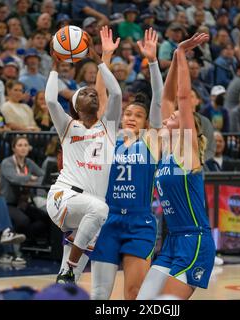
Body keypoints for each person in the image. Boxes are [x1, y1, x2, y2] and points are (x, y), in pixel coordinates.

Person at [137, 33, 215, 300]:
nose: (169, 114)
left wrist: (181, 54)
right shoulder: (166, 148)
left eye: (176, 116)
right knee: (143, 302)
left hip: (195, 242)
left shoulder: (188, 151)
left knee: (166, 305)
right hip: (172, 242)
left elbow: (182, 98)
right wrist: (171, 57)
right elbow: (167, 99)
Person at [90, 28, 163, 300]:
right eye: (127, 113)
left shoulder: (151, 141)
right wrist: (105, 57)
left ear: (146, 122)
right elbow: (100, 98)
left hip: (139, 222)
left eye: (138, 115)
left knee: (133, 293)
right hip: (108, 219)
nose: (130, 117)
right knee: (99, 293)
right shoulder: (109, 138)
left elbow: (158, 99)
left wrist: (153, 62)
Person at [45, 26, 122, 284]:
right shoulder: (68, 126)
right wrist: (55, 65)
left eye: (94, 93)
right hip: (63, 196)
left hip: (89, 214)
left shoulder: (108, 128)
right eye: (85, 94)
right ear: (76, 107)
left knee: (68, 283)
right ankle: (69, 265)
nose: (92, 94)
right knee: (101, 208)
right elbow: (51, 101)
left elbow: (118, 93)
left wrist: (99, 60)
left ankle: (67, 273)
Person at [0, 136, 47, 240]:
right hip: (7, 203)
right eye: (20, 145)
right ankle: (18, 245)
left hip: (23, 203)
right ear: (13, 148)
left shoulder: (28, 162)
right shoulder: (7, 163)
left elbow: (43, 175)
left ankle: (28, 243)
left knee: (45, 217)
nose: (23, 148)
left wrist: (34, 179)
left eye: (26, 145)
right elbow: (14, 178)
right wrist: (30, 177)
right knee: (23, 220)